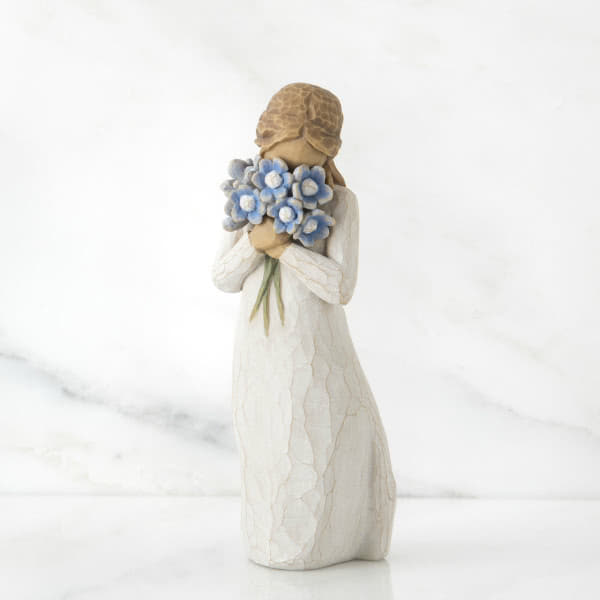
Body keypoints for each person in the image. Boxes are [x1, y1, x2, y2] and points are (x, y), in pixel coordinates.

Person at [212, 83, 396, 570]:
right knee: (265, 440)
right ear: (265, 143)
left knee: (315, 439)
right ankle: (271, 540)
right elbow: (223, 277)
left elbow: (339, 286)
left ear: (329, 153)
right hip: (258, 351)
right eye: (285, 158)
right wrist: (254, 243)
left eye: (309, 161)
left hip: (315, 349)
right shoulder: (245, 199)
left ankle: (331, 538)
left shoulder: (340, 203)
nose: (294, 173)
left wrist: (283, 249)